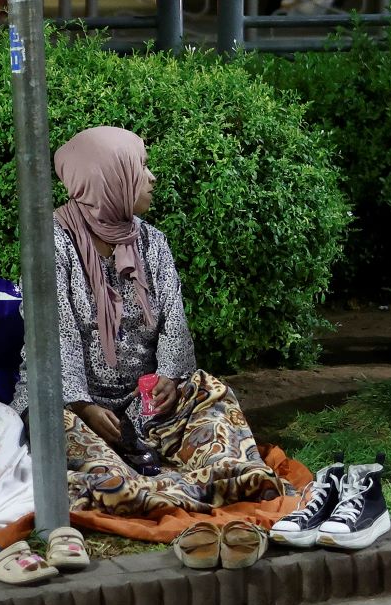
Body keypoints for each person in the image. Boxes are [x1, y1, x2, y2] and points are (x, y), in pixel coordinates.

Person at [17, 127, 287, 522]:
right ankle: (159, 487)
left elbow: (173, 320)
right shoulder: (50, 244)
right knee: (57, 433)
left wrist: (168, 378)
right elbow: (53, 336)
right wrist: (83, 405)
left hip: (141, 404)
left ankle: (208, 476)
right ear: (107, 179)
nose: (151, 178)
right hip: (70, 403)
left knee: (208, 393)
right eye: (140, 167)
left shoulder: (151, 242)